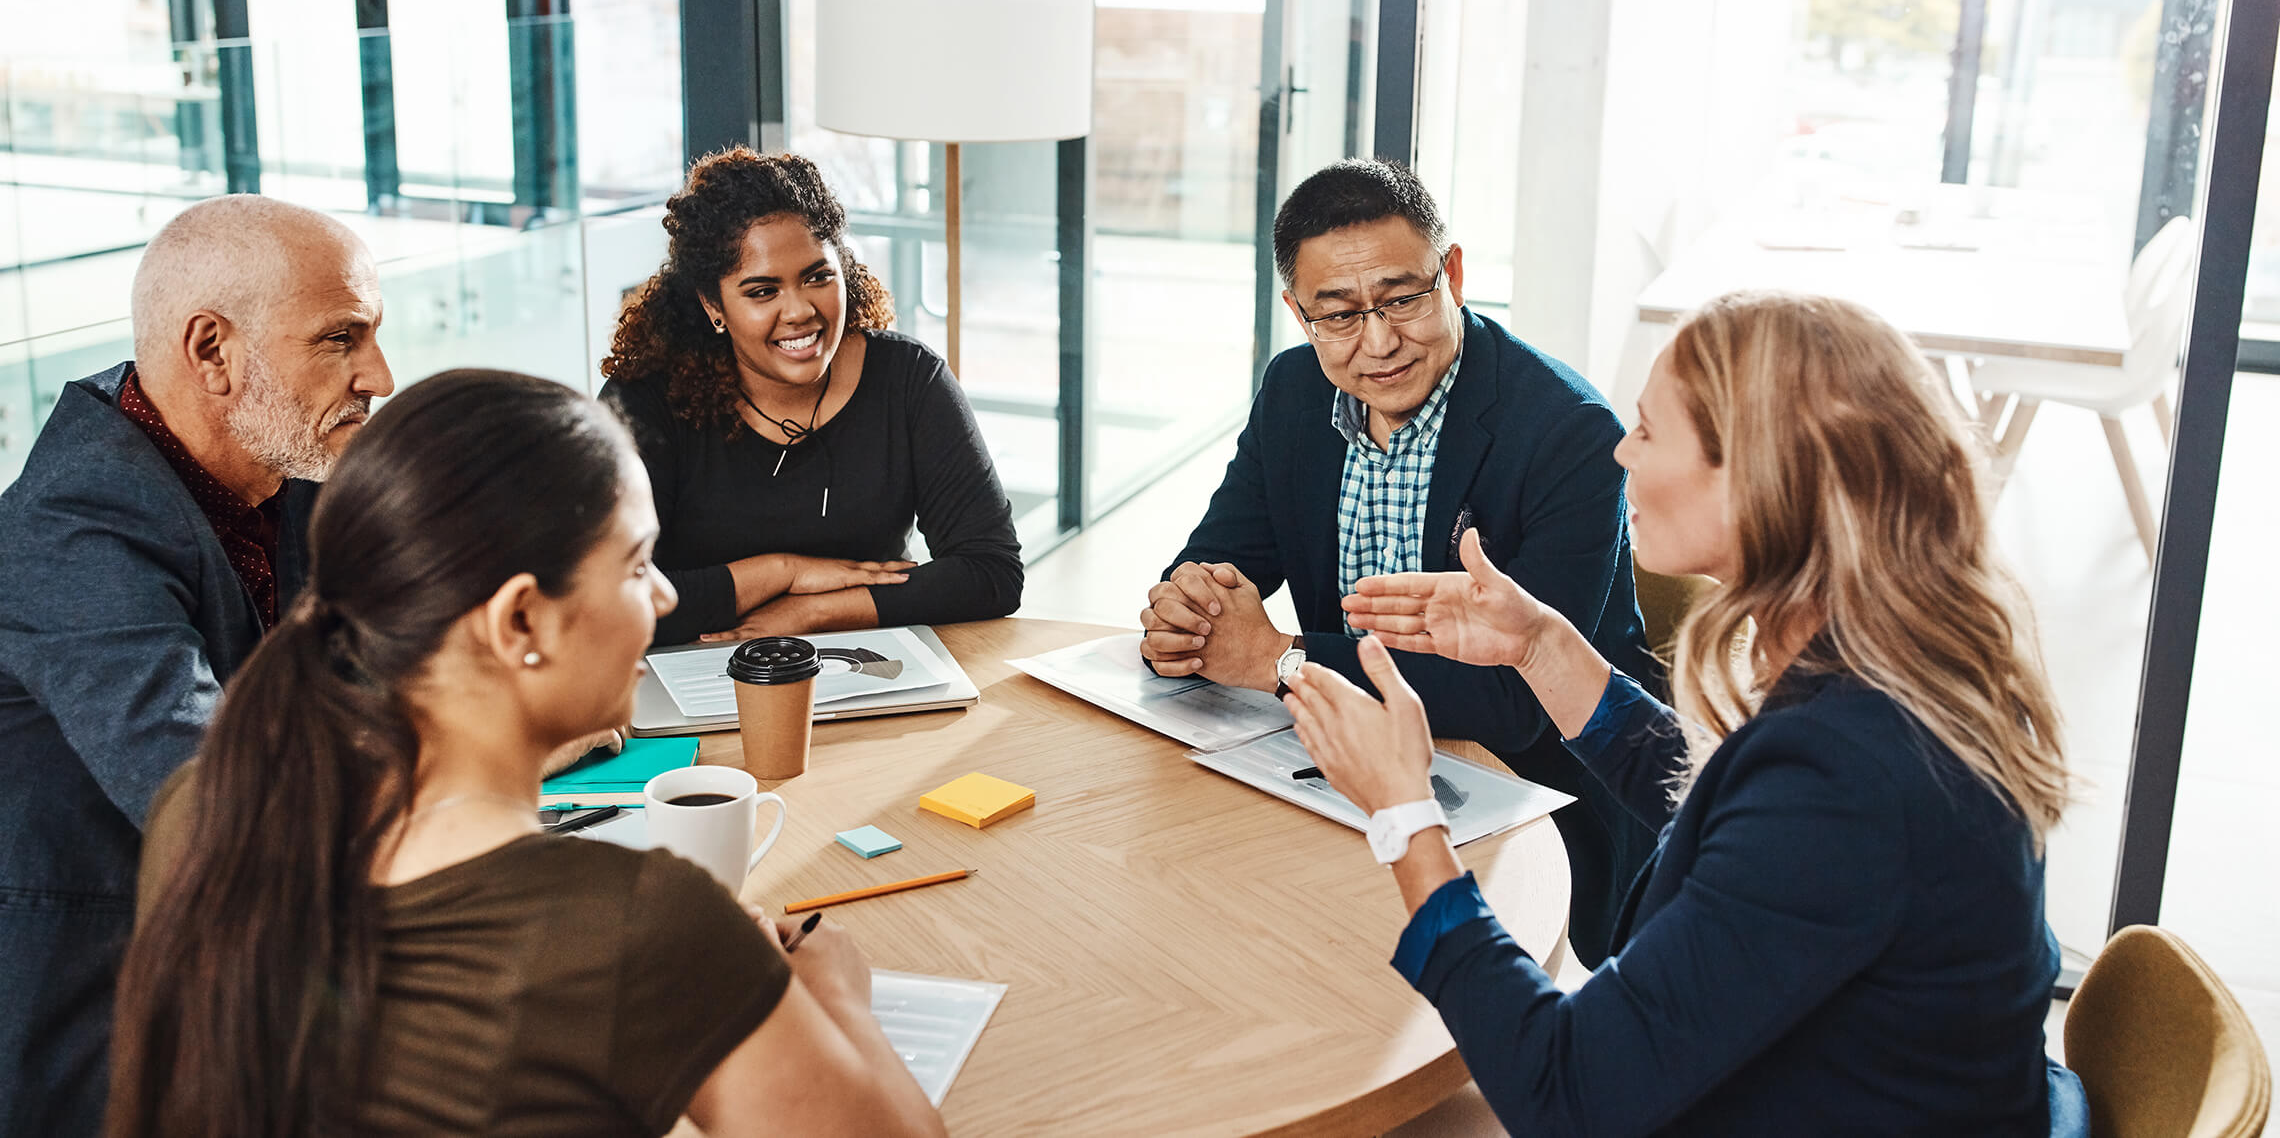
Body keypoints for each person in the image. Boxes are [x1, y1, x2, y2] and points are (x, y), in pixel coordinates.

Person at [1285, 291, 2088, 1134]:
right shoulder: (1895, 665)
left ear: (1756, 478)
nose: (1622, 451)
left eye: (1649, 430)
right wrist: (1541, 648)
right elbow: (1736, 818)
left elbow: (1567, 1096)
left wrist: (1406, 819)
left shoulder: (1848, 776)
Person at [108, 371, 947, 1138]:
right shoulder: (639, 925)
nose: (662, 597)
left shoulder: (203, 807)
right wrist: (837, 996)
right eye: (636, 565)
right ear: (519, 624)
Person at [1143, 159, 1655, 967]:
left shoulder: (1569, 432)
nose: (1378, 343)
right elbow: (1224, 557)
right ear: (1297, 311)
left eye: (1402, 299)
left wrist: (1280, 662)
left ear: (1450, 273)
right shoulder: (1294, 392)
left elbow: (1517, 701)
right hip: (1329, 776)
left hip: (1528, 800)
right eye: (1338, 315)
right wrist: (1188, 610)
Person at [0, 194, 395, 1135]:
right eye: (340, 339)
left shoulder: (280, 468)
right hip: (104, 1025)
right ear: (212, 352)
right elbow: (218, 797)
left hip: (262, 974)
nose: (379, 373)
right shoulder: (66, 535)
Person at [601, 148, 1022, 646]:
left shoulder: (908, 378)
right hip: (693, 673)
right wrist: (782, 573)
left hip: (874, 667)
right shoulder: (644, 402)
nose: (800, 311)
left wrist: (814, 614)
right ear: (713, 305)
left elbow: (991, 573)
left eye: (818, 277)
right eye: (762, 292)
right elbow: (605, 600)